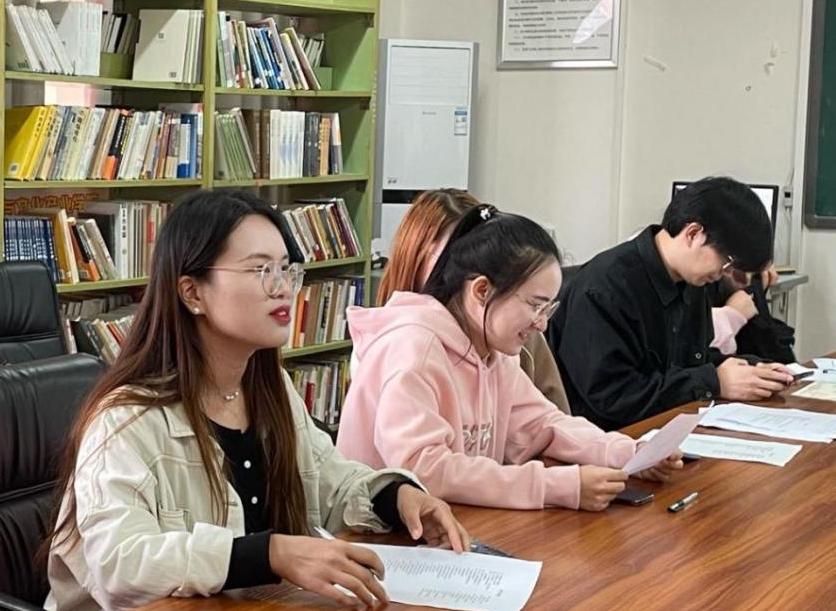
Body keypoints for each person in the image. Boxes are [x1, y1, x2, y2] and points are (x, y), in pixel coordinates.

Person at [45, 189, 470, 611]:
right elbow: (121, 564)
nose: (282, 288)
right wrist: (270, 553)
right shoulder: (125, 420)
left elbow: (330, 481)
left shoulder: (269, 389)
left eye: (286, 269)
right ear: (192, 293)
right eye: (260, 270)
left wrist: (397, 496)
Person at [338, 205, 681, 511]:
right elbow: (424, 470)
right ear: (482, 290)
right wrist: (551, 486)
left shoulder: (495, 352)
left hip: (447, 526)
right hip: (379, 537)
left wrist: (627, 452)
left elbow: (543, 425)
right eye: (534, 305)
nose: (542, 323)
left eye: (548, 308)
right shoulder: (413, 349)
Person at [547, 176, 794, 431]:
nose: (723, 273)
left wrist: (747, 369)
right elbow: (613, 395)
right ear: (693, 234)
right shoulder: (605, 287)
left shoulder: (691, 280)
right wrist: (714, 382)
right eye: (727, 261)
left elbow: (687, 361)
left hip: (668, 427)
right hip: (609, 437)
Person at [377, 188, 570, 412]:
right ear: (414, 258)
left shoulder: (516, 338)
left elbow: (547, 419)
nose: (463, 269)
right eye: (450, 258)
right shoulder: (403, 346)